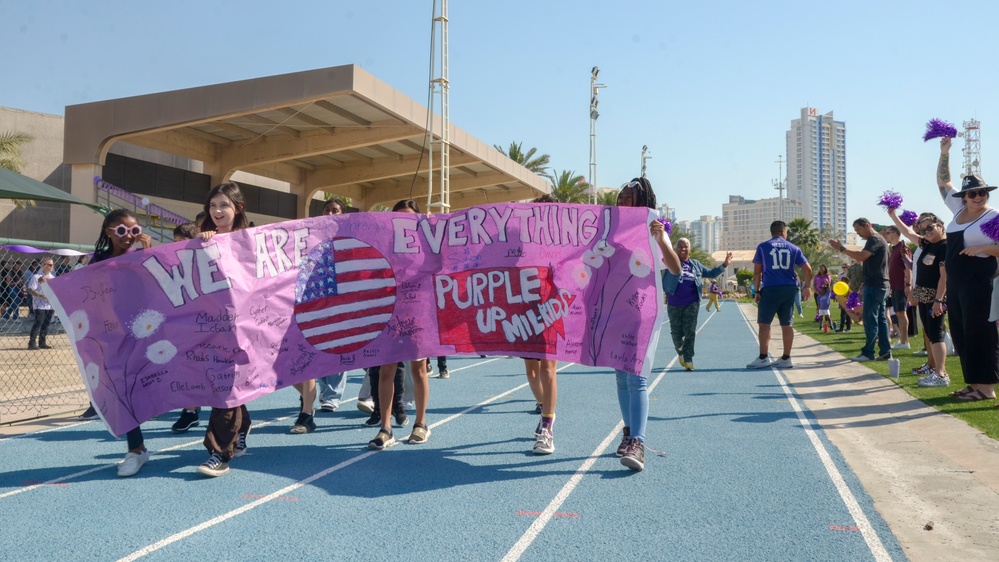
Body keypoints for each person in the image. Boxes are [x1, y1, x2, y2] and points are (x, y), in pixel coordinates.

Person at [615, 177, 681, 471]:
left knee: (636, 376)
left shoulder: (657, 227)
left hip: (641, 309)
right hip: (614, 309)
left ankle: (639, 442)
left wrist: (659, 239)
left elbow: (676, 267)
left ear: (643, 201)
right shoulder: (612, 227)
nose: (623, 200)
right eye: (622, 195)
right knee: (620, 376)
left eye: (630, 196)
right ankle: (628, 433)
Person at [92, 209, 155, 476]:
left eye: (134, 230)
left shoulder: (144, 257)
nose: (128, 236)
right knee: (122, 390)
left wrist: (149, 252)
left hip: (147, 333)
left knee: (144, 388)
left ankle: (219, 436)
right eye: (121, 231)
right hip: (113, 337)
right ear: (109, 232)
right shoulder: (97, 261)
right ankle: (136, 449)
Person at [936, 137, 999, 402]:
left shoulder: (992, 216)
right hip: (958, 283)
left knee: (980, 333)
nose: (977, 197)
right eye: (972, 193)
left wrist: (984, 247)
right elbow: (943, 182)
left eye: (982, 192)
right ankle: (973, 383)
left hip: (979, 281)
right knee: (961, 332)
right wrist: (944, 152)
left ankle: (987, 388)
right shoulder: (958, 208)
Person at [197, 182, 253, 477]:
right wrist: (204, 243)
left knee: (226, 388)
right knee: (225, 386)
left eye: (224, 205)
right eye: (213, 205)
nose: (217, 211)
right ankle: (241, 426)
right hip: (212, 329)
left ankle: (219, 452)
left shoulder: (252, 240)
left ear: (238, 209)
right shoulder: (203, 242)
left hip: (246, 327)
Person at [368, 199, 432, 450]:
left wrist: (430, 229)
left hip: (418, 312)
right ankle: (386, 428)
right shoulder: (385, 244)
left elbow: (440, 262)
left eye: (410, 218)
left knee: (419, 370)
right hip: (390, 313)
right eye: (399, 217)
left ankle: (421, 423)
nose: (405, 222)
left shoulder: (427, 244)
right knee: (386, 371)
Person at [747, 221, 812, 369]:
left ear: (772, 232)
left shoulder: (763, 247)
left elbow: (757, 271)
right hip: (789, 289)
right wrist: (807, 287)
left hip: (770, 289)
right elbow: (808, 269)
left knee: (764, 323)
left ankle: (763, 357)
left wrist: (756, 291)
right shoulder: (793, 248)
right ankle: (786, 358)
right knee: (786, 324)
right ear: (784, 232)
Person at [662, 237, 732, 371]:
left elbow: (711, 273)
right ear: (676, 250)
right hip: (674, 303)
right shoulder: (669, 262)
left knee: (690, 332)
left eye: (685, 246)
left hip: (692, 303)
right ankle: (681, 351)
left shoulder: (696, 265)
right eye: (680, 246)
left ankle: (688, 359)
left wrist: (725, 264)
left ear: (690, 250)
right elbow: (659, 259)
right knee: (676, 332)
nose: (683, 249)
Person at [830, 218, 891, 362]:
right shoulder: (878, 239)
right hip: (879, 284)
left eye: (859, 230)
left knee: (870, 319)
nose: (858, 234)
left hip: (876, 286)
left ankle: (868, 352)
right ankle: (885, 351)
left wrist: (842, 248)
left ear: (868, 225)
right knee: (881, 320)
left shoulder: (875, 239)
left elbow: (862, 256)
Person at [169, 222, 205, 433]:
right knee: (186, 367)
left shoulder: (205, 259)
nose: (176, 246)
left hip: (209, 324)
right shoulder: (172, 263)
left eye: (181, 241)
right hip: (185, 324)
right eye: (174, 242)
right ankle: (190, 411)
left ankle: (226, 413)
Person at [882, 225, 912, 350]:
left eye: (887, 233)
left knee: (901, 313)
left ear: (894, 233)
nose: (886, 236)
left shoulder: (903, 247)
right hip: (893, 286)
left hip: (901, 285)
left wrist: (908, 284)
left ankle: (904, 341)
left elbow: (909, 267)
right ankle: (902, 340)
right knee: (898, 313)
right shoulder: (893, 249)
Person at [25, 258, 56, 350]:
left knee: (46, 324)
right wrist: (43, 295)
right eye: (49, 265)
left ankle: (42, 342)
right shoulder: (36, 276)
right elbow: (31, 290)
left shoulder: (52, 278)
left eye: (52, 265)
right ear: (43, 265)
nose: (51, 267)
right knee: (38, 323)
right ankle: (32, 342)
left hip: (49, 305)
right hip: (39, 304)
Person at [812, 265, 833, 332]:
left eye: (822, 268)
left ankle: (828, 323)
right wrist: (817, 291)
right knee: (820, 307)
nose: (821, 269)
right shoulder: (816, 276)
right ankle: (821, 324)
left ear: (825, 269)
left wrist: (827, 284)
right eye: (820, 268)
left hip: (825, 293)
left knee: (827, 309)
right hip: (818, 293)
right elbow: (814, 284)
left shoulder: (827, 276)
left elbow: (828, 285)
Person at [835, 263, 852, 332]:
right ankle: (842, 328)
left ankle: (847, 327)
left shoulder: (851, 275)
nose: (843, 268)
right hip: (842, 294)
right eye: (842, 267)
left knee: (847, 312)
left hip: (849, 294)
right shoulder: (840, 275)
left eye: (845, 267)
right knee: (843, 312)